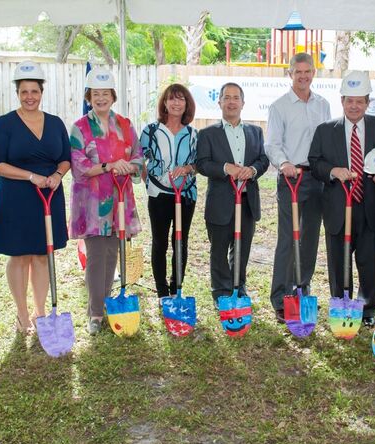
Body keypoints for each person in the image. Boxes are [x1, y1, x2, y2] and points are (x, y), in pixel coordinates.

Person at [0, 61, 71, 335]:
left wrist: (58, 175)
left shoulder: (56, 122)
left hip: (49, 196)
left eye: (34, 91)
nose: (29, 97)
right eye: (24, 91)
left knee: (41, 255)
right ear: (17, 93)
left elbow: (65, 158)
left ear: (41, 92)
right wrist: (30, 176)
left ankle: (40, 313)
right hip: (17, 197)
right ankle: (22, 315)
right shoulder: (5, 124)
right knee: (19, 256)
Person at [310, 71, 375, 326]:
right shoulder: (325, 130)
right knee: (338, 260)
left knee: (370, 261)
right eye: (349, 100)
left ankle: (367, 311)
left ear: (367, 103)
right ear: (342, 101)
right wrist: (333, 172)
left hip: (369, 207)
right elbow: (315, 162)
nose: (354, 106)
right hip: (337, 206)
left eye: (360, 101)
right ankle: (341, 305)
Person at [69, 67, 143, 335]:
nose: (100, 98)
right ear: (89, 97)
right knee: (96, 256)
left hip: (119, 200)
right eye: (95, 94)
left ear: (113, 96)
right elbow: (80, 165)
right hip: (91, 203)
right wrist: (111, 165)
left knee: (112, 253)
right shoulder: (79, 128)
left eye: (105, 94)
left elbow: (138, 157)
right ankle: (95, 312)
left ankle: (109, 303)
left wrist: (129, 167)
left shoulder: (125, 124)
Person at [267, 53, 331, 323]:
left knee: (309, 239)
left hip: (317, 178)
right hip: (291, 178)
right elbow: (272, 143)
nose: (303, 76)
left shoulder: (322, 104)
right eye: (298, 72)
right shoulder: (279, 106)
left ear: (313, 73)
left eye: (307, 72)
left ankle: (302, 289)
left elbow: (327, 139)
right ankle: (281, 297)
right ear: (290, 74)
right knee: (287, 239)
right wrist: (284, 164)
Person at [196, 82, 270, 306]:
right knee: (218, 250)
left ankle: (239, 286)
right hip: (220, 202)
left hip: (247, 201)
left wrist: (253, 170)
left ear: (243, 103)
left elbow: (263, 160)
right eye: (226, 97)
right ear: (219, 102)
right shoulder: (208, 133)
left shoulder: (255, 131)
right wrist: (225, 168)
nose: (231, 101)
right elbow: (202, 164)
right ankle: (221, 291)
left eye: (235, 97)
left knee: (242, 248)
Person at [140, 84, 197, 299]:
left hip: (186, 194)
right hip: (159, 195)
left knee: (180, 241)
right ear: (164, 103)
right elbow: (139, 159)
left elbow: (199, 164)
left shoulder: (192, 134)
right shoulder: (151, 131)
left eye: (181, 99)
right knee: (160, 241)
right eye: (171, 99)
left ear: (186, 104)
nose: (176, 103)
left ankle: (177, 289)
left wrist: (188, 169)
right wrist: (149, 182)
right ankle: (162, 292)